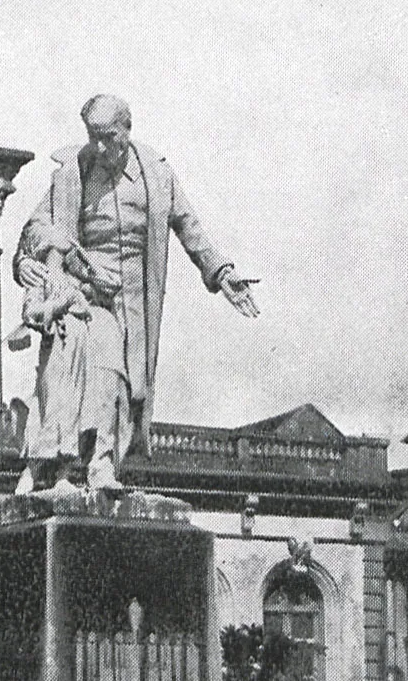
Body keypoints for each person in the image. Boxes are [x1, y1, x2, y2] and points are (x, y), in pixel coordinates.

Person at [14, 94, 259, 494]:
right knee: (103, 371)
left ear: (127, 131)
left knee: (131, 390)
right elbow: (35, 227)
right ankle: (94, 465)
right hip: (88, 291)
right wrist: (39, 253)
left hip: (135, 296)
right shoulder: (72, 174)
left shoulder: (157, 176)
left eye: (107, 137)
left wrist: (220, 271)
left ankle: (102, 463)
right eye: (92, 136)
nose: (99, 147)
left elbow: (188, 224)